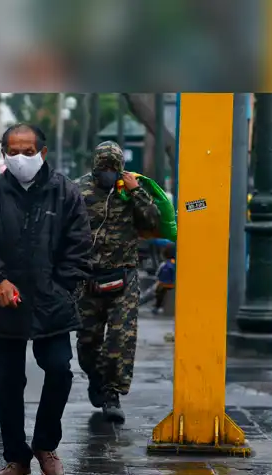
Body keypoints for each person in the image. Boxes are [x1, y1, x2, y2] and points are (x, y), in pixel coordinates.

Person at [0, 123, 92, 475]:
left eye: (28, 151)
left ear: (42, 153)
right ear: (4, 154)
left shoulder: (64, 191)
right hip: (3, 302)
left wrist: (61, 287)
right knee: (7, 382)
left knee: (59, 370)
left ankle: (45, 445)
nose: (21, 158)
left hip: (52, 301)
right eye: (14, 152)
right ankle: (16, 458)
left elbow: (79, 244)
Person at [75, 141, 161, 422]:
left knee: (120, 340)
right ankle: (96, 377)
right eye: (104, 167)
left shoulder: (132, 190)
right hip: (88, 279)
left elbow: (153, 221)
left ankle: (112, 394)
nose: (109, 172)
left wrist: (136, 192)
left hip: (123, 276)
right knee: (87, 341)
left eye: (114, 167)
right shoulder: (78, 190)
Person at [152, 243, 176, 315]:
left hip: (163, 285)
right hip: (174, 284)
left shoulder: (164, 263)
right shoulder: (176, 263)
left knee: (158, 292)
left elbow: (157, 275)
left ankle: (157, 306)